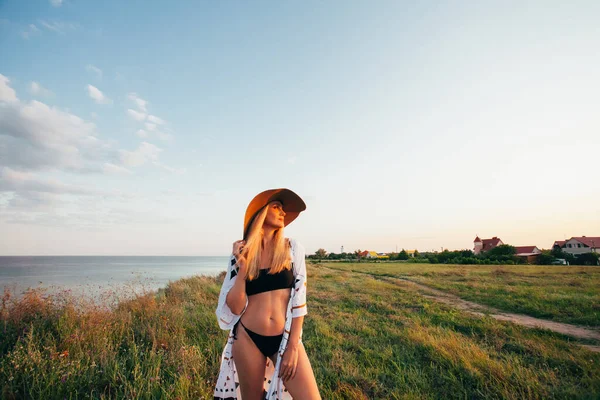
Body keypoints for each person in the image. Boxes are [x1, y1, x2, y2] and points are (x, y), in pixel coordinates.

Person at [214, 188, 321, 400]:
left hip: (284, 338)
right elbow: (235, 307)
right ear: (261, 213)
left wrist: (292, 347)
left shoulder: (292, 248)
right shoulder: (242, 252)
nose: (282, 212)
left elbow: (300, 298)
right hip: (247, 338)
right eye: (276, 207)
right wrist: (243, 269)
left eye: (283, 208)